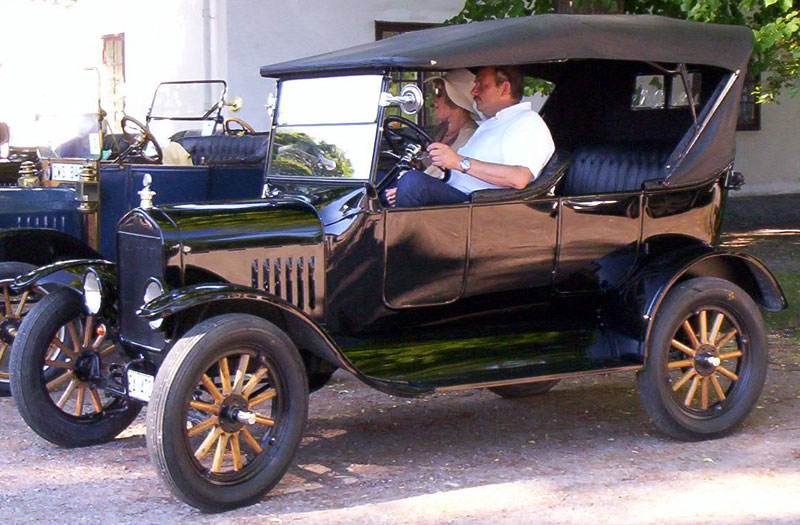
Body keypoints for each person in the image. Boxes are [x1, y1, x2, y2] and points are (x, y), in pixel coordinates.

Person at [395, 65, 555, 207]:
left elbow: (519, 178)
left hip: (478, 206)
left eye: (481, 85)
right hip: (457, 194)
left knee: (412, 182)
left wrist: (459, 162)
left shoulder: (527, 122)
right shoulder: (494, 123)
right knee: (384, 181)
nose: (474, 91)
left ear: (505, 89)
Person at [385, 68, 478, 205]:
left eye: (439, 95)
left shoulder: (469, 133)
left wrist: (403, 186)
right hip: (428, 182)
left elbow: (443, 169)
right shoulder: (442, 129)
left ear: (455, 100)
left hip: (448, 190)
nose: (433, 101)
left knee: (410, 183)